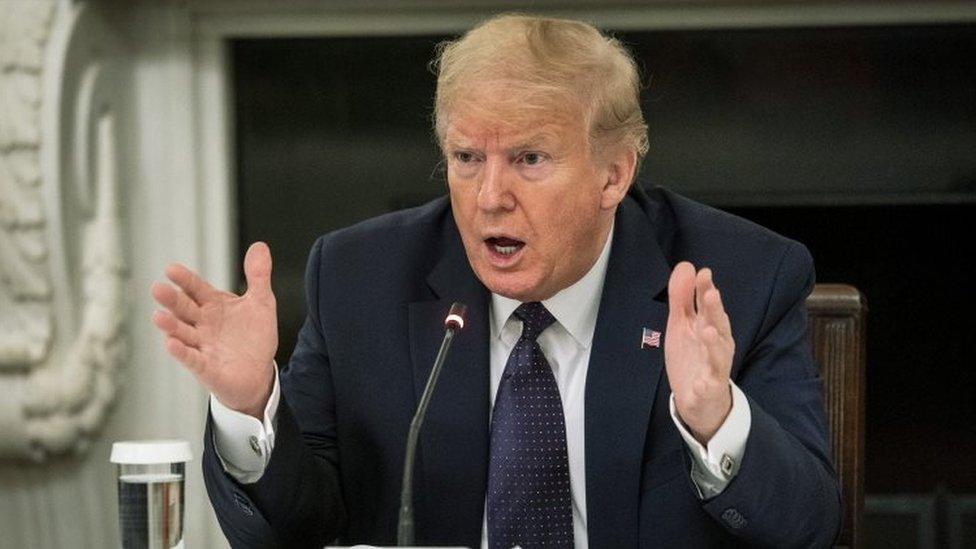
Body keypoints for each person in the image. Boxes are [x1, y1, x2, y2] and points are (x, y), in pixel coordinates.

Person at [151, 14, 841, 548]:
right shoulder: (360, 279)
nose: (489, 196)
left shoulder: (742, 278)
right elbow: (291, 532)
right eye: (466, 157)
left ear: (614, 174)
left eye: (529, 158)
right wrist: (250, 407)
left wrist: (714, 418)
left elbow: (809, 528)